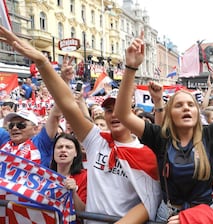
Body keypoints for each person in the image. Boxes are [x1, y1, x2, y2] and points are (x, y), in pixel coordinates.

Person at [0, 25, 161, 223]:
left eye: (119, 109)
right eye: (109, 110)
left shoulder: (146, 154)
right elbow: (66, 103)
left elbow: (148, 204)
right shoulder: (97, 140)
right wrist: (42, 62)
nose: (114, 114)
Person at [114, 30, 213, 222]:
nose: (186, 109)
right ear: (170, 114)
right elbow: (123, 114)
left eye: (191, 105)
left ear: (198, 112)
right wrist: (130, 68)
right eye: (179, 105)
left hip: (202, 216)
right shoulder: (160, 136)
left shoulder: (211, 134)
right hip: (167, 215)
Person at [50, 133, 87, 212]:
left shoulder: (85, 176)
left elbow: (83, 213)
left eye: (68, 147)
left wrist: (73, 193)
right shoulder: (46, 176)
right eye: (59, 147)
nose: (63, 150)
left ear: (76, 153)